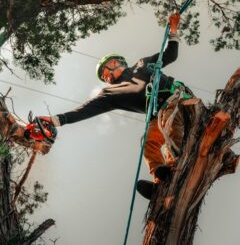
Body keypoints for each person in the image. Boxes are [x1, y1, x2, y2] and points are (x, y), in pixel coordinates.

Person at [38, 13, 193, 200]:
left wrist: (174, 29)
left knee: (172, 134)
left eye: (104, 72)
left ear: (114, 62)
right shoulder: (110, 94)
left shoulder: (142, 65)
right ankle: (162, 182)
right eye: (103, 77)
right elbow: (85, 110)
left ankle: (176, 171)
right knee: (149, 142)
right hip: (158, 115)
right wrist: (57, 120)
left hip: (176, 100)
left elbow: (170, 55)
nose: (105, 78)